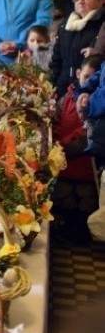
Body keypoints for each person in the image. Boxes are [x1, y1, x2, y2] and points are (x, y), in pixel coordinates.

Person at [52, 54, 100, 244]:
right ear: (79, 73)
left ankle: (80, 237)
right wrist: (55, 140)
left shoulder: (97, 104)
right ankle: (65, 233)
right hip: (64, 167)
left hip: (85, 168)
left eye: (95, 79)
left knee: (85, 202)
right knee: (64, 198)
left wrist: (63, 145)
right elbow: (56, 118)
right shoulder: (68, 96)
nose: (90, 83)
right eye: (87, 77)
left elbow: (87, 132)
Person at [51, 0, 105, 98]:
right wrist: (53, 85)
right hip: (63, 89)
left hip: (92, 91)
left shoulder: (102, 25)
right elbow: (56, 59)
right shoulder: (66, 25)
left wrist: (99, 53)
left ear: (101, 0)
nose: (80, 1)